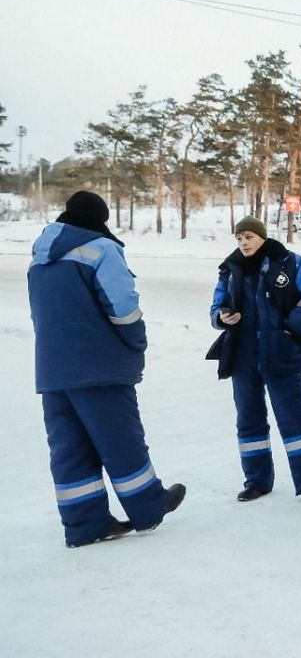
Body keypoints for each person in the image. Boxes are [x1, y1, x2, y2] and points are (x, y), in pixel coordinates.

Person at [27, 190, 185, 547]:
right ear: (99, 219)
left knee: (69, 447)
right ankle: (148, 506)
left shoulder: (39, 255)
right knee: (120, 438)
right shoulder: (101, 249)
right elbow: (123, 306)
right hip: (98, 365)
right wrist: (136, 340)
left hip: (53, 368)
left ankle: (85, 523)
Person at [209, 216, 301, 505]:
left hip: (281, 353)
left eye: (249, 237)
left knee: (296, 419)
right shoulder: (229, 269)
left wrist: (292, 326)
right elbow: (215, 307)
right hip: (242, 356)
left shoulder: (290, 262)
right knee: (249, 420)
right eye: (239, 238)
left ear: (262, 237)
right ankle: (256, 481)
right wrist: (222, 317)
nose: (243, 243)